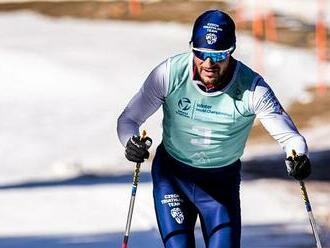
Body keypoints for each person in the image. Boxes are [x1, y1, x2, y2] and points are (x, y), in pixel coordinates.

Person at [117, 9, 311, 248]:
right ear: (192, 48)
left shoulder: (252, 89)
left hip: (220, 183)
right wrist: (130, 142)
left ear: (231, 51)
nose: (208, 63)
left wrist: (298, 156)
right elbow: (129, 119)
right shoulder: (169, 73)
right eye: (201, 53)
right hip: (173, 177)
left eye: (218, 55)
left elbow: (290, 137)